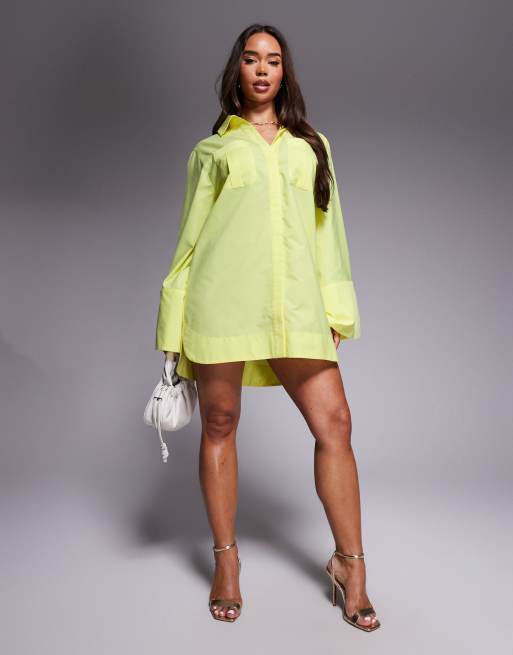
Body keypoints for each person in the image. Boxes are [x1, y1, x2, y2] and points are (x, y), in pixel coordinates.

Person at [154, 23, 380, 631]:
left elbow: (328, 232)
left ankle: (350, 564)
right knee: (220, 423)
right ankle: (226, 561)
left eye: (273, 60)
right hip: (222, 304)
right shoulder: (213, 151)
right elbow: (189, 241)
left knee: (335, 423)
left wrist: (335, 310)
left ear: (284, 72)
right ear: (238, 69)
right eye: (252, 59)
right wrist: (172, 331)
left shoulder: (312, 146)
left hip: (296, 308)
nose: (262, 69)